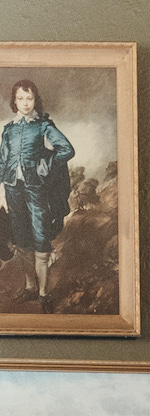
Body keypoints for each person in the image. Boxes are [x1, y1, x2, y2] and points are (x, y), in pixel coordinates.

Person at [0, 80, 74, 313]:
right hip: (13, 189)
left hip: (36, 189)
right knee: (21, 239)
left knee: (40, 238)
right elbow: (2, 161)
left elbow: (67, 149)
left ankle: (44, 293)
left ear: (35, 100)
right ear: (14, 101)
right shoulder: (8, 129)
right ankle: (30, 286)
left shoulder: (43, 126)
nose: (24, 103)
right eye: (20, 98)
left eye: (29, 98)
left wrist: (45, 165)